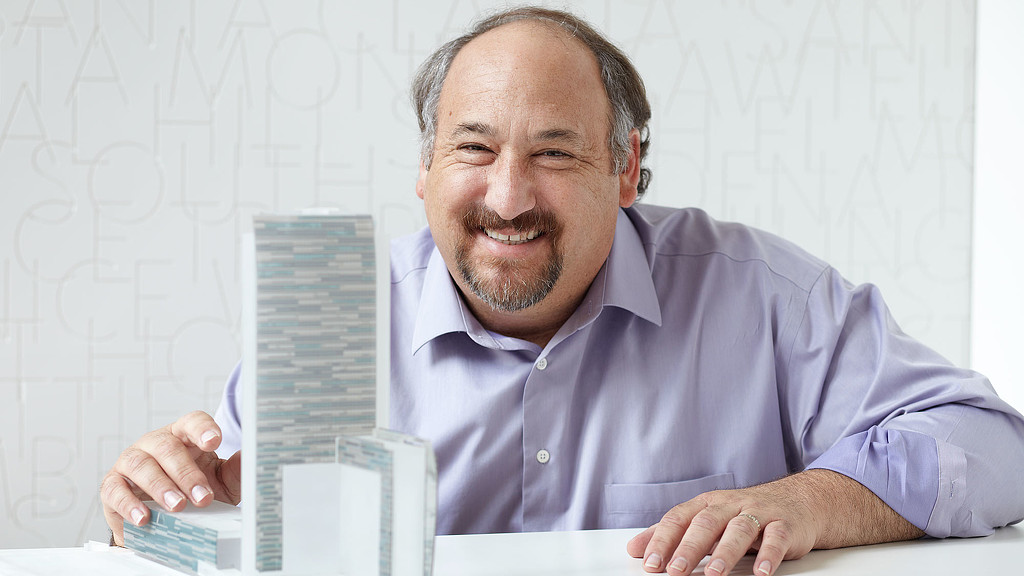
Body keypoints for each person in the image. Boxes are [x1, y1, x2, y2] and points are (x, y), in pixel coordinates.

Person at [101, 7, 1024, 576]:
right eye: (472, 148)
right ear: (423, 169)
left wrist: (809, 501)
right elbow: (224, 535)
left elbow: (993, 448)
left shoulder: (763, 297)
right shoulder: (331, 322)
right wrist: (163, 509)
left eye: (553, 152)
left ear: (626, 169)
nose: (507, 196)